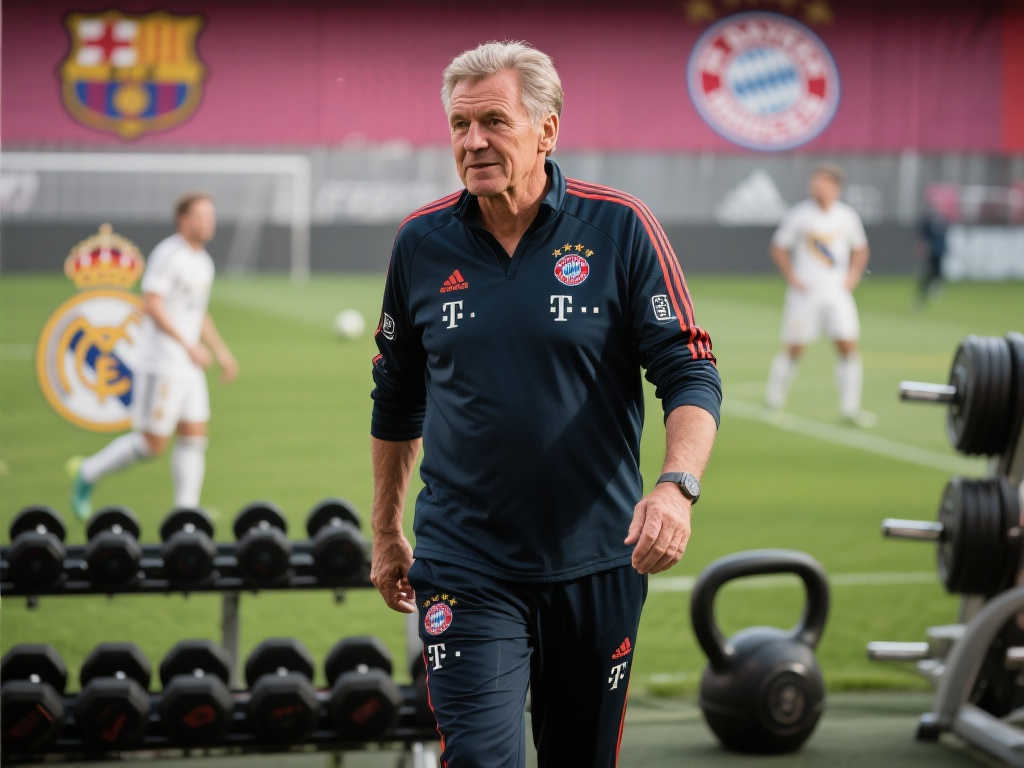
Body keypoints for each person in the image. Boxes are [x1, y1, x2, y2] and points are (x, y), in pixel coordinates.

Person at [369, 41, 721, 768]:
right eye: (460, 125)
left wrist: (676, 487)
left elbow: (691, 371)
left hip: (598, 561)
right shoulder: (420, 243)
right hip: (464, 564)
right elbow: (396, 400)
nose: (473, 142)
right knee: (480, 759)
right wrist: (385, 531)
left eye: (494, 121)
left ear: (547, 130)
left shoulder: (620, 228)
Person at [69, 193, 238, 521]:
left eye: (211, 216)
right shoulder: (168, 254)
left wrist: (221, 352)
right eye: (202, 216)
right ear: (183, 220)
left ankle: (185, 515)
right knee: (152, 444)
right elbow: (152, 304)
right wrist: (187, 345)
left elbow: (198, 314)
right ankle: (87, 472)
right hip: (162, 362)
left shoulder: (203, 261)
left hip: (188, 365)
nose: (209, 222)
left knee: (194, 434)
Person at [764, 165, 872, 426]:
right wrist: (792, 277)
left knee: (847, 345)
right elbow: (778, 247)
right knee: (795, 347)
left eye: (822, 183)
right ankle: (774, 399)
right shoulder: (800, 215)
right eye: (814, 183)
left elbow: (860, 249)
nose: (816, 188)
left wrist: (853, 276)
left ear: (835, 187)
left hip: (837, 293)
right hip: (805, 295)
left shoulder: (846, 216)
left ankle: (850, 408)